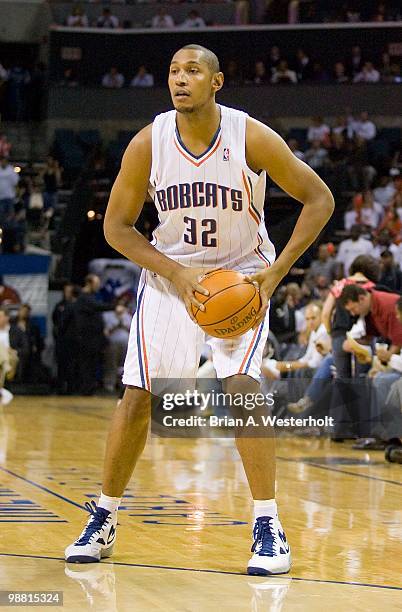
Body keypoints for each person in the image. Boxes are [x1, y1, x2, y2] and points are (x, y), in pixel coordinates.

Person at [64, 44, 334, 574]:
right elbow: (115, 228)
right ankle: (105, 514)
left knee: (241, 388)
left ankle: (267, 523)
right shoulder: (148, 143)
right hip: (172, 279)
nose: (179, 79)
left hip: (241, 276)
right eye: (173, 72)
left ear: (216, 82)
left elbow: (319, 197)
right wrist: (178, 274)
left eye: (192, 71)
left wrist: (276, 274)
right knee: (138, 396)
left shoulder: (249, 135)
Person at [73, 275, 111, 396]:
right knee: (86, 365)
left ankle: (89, 389)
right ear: (89, 283)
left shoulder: (90, 297)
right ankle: (85, 389)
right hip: (86, 339)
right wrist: (116, 306)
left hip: (94, 339)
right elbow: (98, 306)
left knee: (92, 364)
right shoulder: (84, 298)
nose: (98, 286)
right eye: (96, 283)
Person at [0, 156, 19, 224]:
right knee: (1, 215)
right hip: (1, 197)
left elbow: (16, 182)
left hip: (9, 196)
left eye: (5, 161)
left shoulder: (11, 170)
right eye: (2, 161)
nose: (3, 163)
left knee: (11, 215)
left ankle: (10, 230)